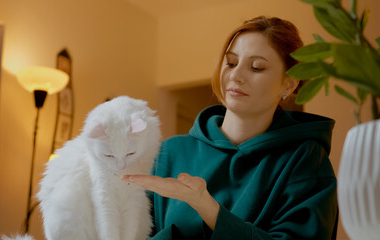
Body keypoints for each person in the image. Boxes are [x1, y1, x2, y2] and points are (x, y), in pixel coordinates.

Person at [122, 16, 338, 239]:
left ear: (289, 84)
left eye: (256, 67)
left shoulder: (306, 160)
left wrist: (206, 206)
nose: (236, 76)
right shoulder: (167, 153)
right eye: (231, 63)